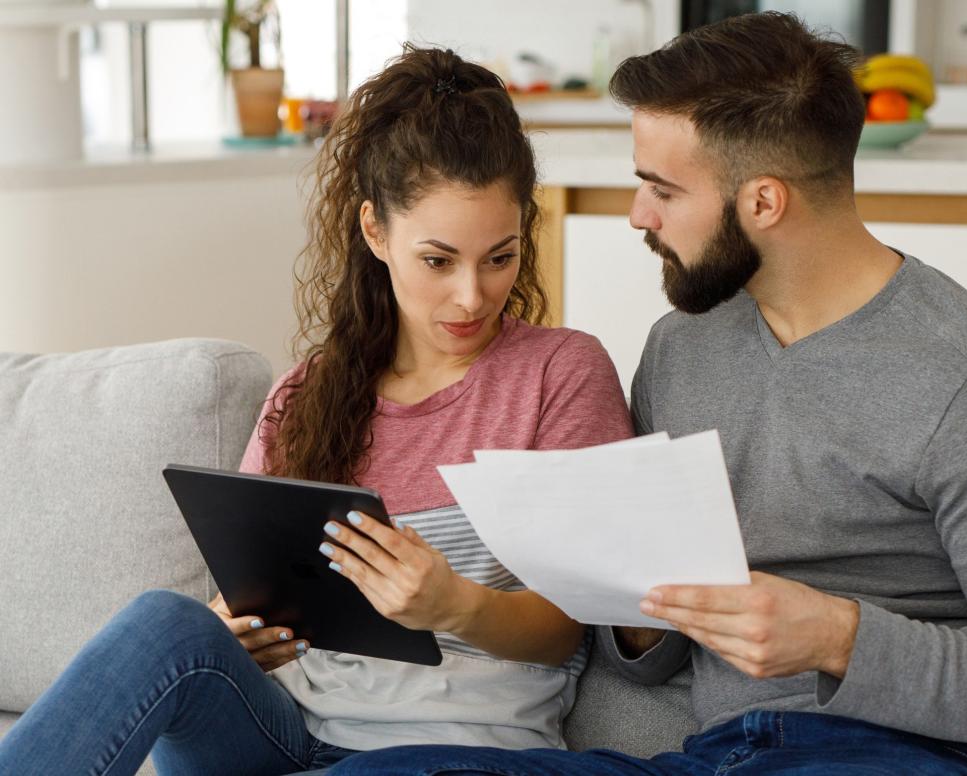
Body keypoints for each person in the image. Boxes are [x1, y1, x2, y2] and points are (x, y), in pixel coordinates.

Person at [327, 12, 967, 776]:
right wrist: (636, 624)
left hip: (894, 753)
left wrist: (839, 636)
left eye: (660, 189)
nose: (638, 214)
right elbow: (638, 645)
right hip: (717, 753)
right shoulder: (685, 346)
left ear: (763, 202)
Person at [0, 45, 632, 776]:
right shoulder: (310, 392)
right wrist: (234, 631)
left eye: (500, 256)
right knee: (163, 622)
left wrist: (454, 605)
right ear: (375, 232)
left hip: (454, 751)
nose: (471, 296)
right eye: (438, 260)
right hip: (284, 732)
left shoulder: (562, 372)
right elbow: (236, 596)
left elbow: (565, 631)